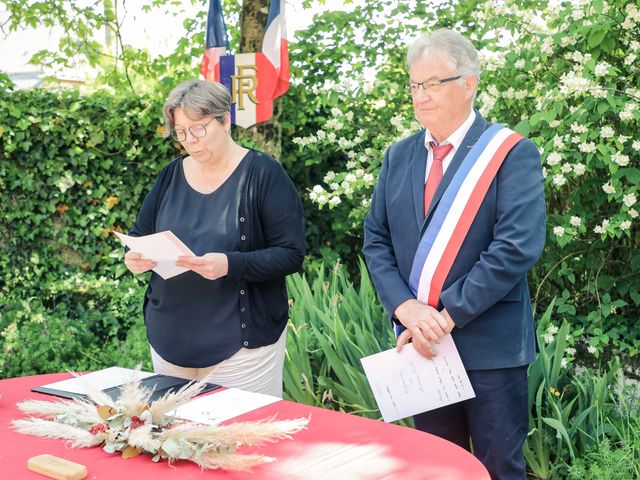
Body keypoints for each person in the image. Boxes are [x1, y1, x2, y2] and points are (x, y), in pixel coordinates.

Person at [363, 29, 546, 479]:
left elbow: (516, 246)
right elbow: (376, 239)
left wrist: (445, 315)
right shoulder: (399, 156)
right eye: (414, 85)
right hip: (422, 347)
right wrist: (406, 309)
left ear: (469, 83)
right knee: (434, 467)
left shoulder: (510, 153)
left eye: (432, 84)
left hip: (489, 348)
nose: (420, 97)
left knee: (497, 468)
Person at [124, 79, 305, 397]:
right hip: (170, 345)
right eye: (181, 132)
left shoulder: (264, 174)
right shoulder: (170, 175)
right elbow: (141, 235)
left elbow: (290, 253)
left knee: (242, 442)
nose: (189, 141)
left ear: (225, 120)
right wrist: (135, 258)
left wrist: (230, 264)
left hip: (242, 353)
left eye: (198, 128)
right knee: (172, 442)